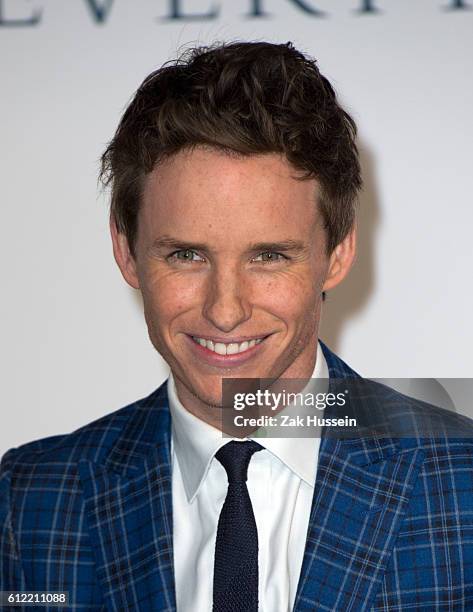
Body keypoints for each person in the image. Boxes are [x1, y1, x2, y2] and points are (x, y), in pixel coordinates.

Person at [1, 41, 472, 612]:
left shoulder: (461, 480)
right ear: (126, 251)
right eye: (186, 256)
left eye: (269, 256)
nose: (226, 311)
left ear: (340, 253)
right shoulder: (28, 501)